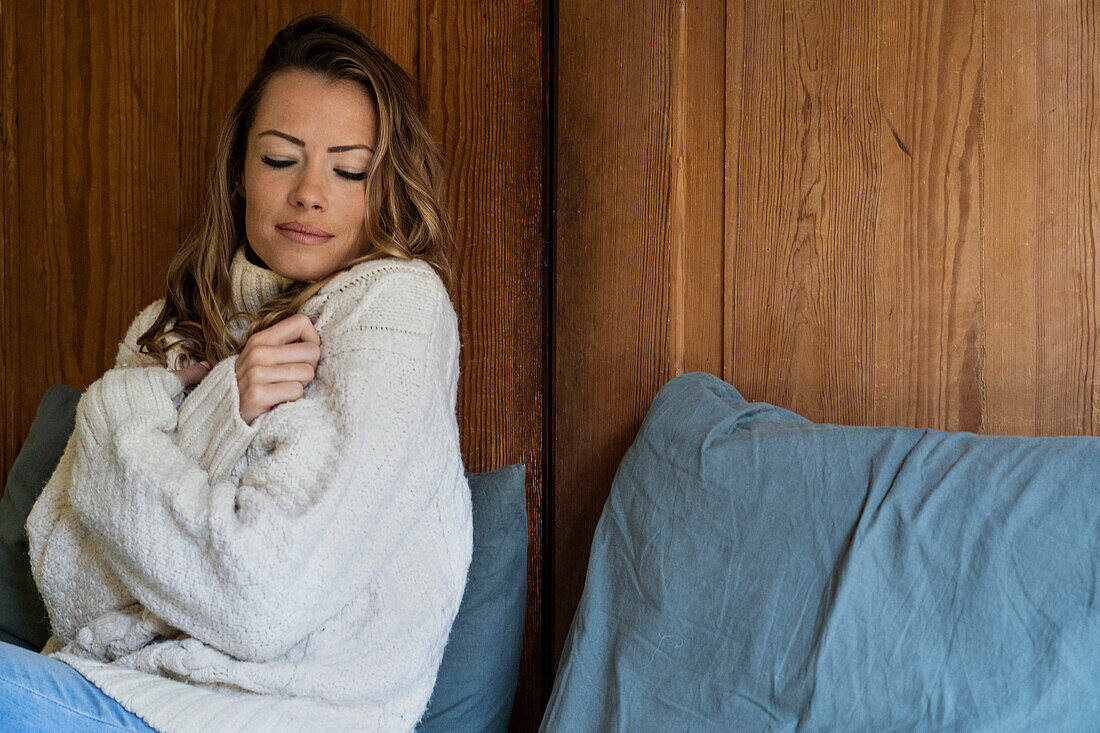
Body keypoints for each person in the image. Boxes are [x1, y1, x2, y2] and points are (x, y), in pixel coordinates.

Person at [5, 11, 473, 732]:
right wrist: (222, 410)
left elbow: (262, 598)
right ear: (239, 174)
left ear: (383, 187)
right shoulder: (165, 328)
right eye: (281, 158)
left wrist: (118, 419)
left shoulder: (395, 311)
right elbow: (68, 582)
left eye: (349, 168)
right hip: (100, 683)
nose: (310, 192)